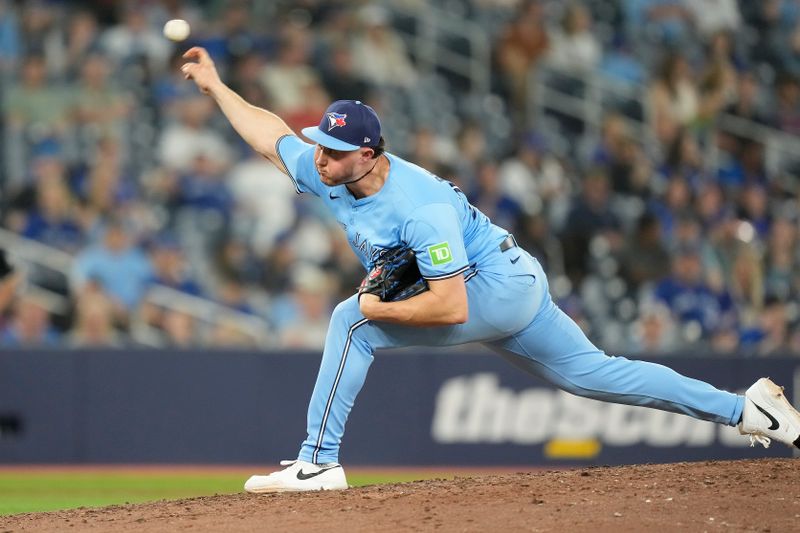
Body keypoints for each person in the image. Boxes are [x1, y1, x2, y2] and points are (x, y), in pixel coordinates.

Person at [180, 47, 800, 494]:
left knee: (351, 321)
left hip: (492, 287)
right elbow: (272, 137)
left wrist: (376, 309)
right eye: (321, 142)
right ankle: (748, 410)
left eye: (333, 149)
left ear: (367, 156)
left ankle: (318, 462)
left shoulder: (420, 209)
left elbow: (449, 308)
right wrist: (215, 87)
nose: (319, 153)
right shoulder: (329, 167)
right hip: (512, 278)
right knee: (595, 375)